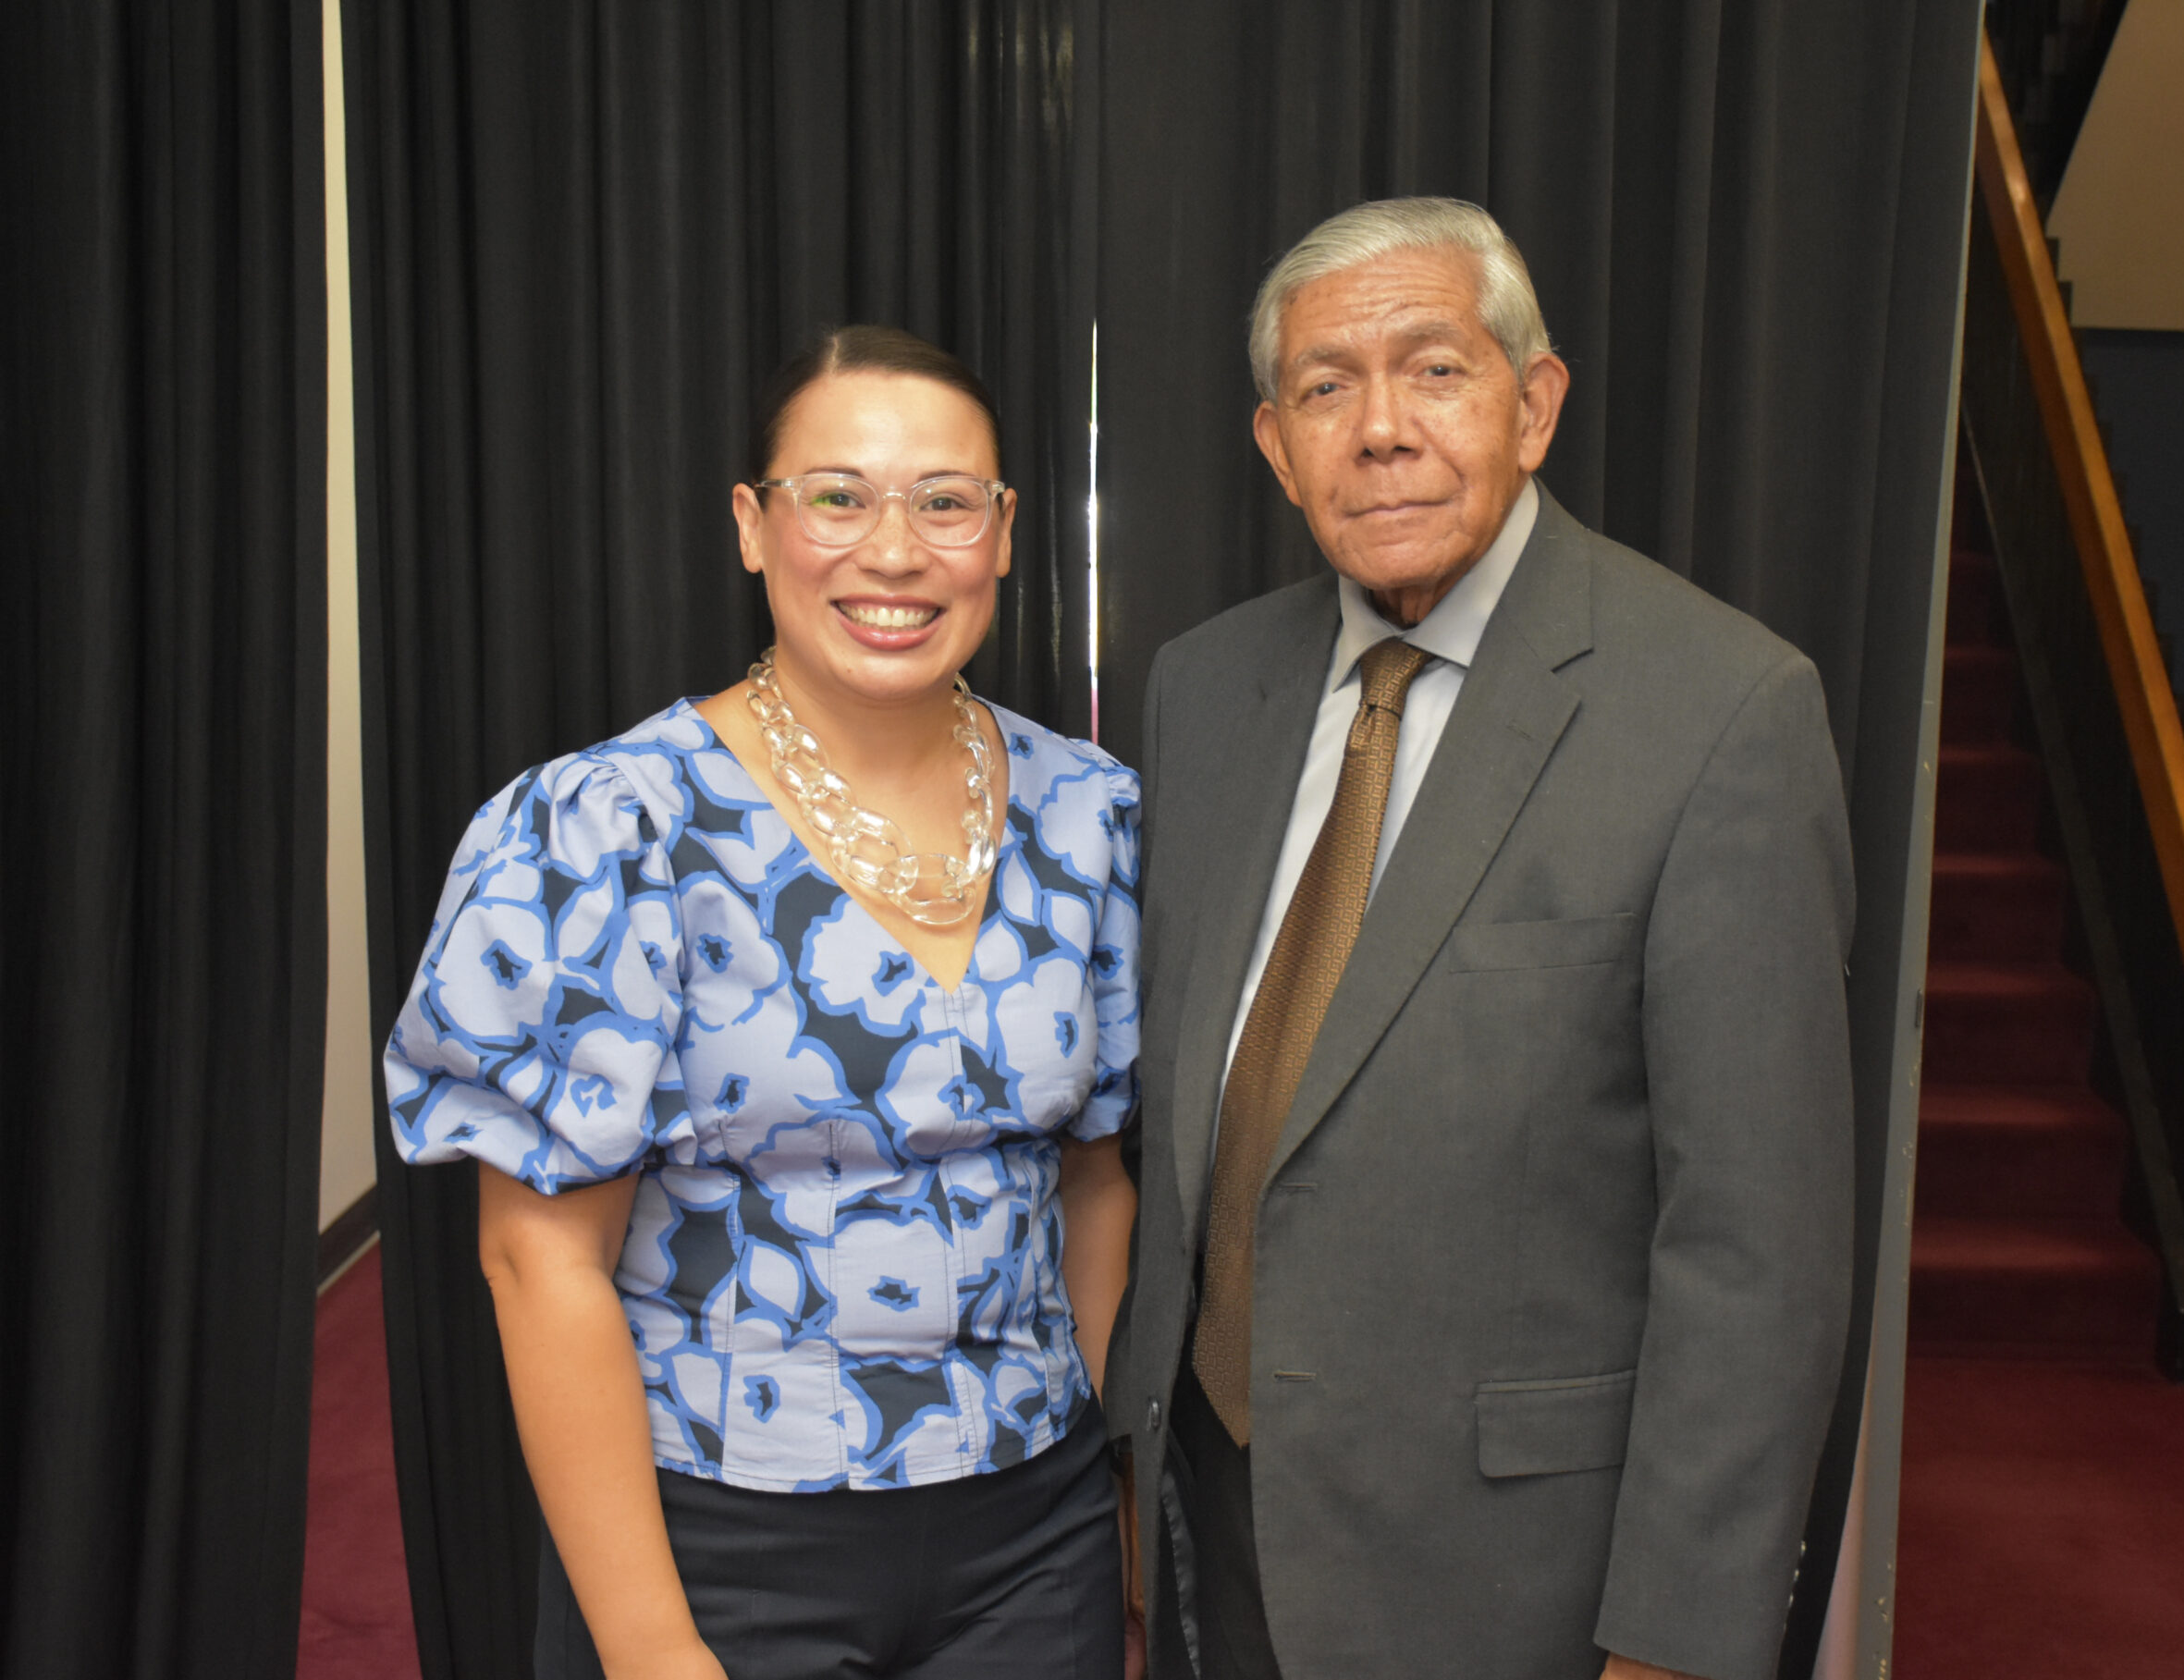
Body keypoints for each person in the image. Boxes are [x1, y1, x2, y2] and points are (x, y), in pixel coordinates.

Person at [1106, 198, 1856, 1680]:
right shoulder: (1204, 690)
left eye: (1434, 369)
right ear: (1275, 443)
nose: (1378, 427)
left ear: (1536, 404)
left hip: (1518, 1580)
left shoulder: (1720, 709)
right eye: (1326, 387)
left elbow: (1758, 1248)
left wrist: (1677, 1643)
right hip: (1210, 1525)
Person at [385, 326, 1139, 1680]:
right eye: (837, 496)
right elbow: (535, 1258)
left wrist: (1082, 1470)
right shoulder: (612, 825)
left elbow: (1098, 1177)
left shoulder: (1092, 813)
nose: (895, 551)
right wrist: (651, 1645)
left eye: (945, 500)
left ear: (1006, 530)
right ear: (753, 522)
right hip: (717, 1538)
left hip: (1035, 1532)